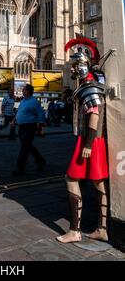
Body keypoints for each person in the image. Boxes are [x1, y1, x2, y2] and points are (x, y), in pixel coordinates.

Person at [57, 37, 109, 244]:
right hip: (95, 140)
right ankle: (102, 228)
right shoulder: (91, 84)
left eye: (76, 64)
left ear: (84, 66)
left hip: (90, 141)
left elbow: (94, 115)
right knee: (98, 183)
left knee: (71, 179)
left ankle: (75, 231)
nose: (73, 68)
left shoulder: (89, 86)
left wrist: (87, 144)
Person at [12, 84, 46, 176]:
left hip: (30, 126)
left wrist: (41, 127)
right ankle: (40, 161)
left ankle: (20, 168)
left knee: (24, 147)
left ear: (28, 91)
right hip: (21, 127)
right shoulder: (23, 101)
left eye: (23, 90)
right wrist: (14, 120)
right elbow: (19, 111)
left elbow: (40, 114)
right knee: (28, 146)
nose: (22, 91)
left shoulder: (34, 102)